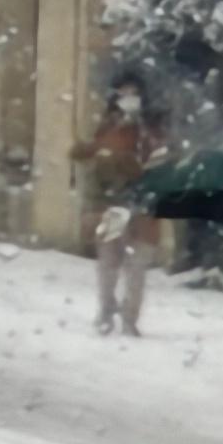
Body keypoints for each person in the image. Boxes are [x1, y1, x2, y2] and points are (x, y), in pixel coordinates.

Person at [80, 72, 162, 337]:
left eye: (133, 94)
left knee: (137, 267)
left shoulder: (152, 128)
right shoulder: (107, 128)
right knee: (108, 264)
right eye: (124, 94)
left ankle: (130, 319)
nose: (129, 100)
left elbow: (161, 162)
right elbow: (96, 167)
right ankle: (106, 311)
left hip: (143, 206)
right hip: (111, 204)